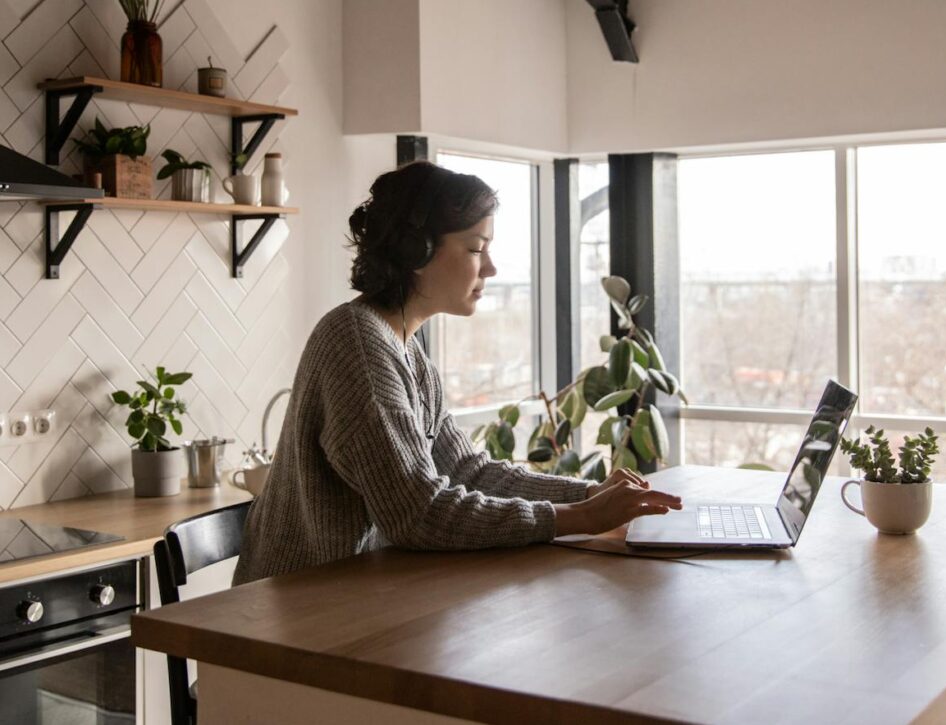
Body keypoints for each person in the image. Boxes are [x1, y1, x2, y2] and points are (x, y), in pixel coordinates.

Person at [232, 161, 682, 585]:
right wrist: (578, 518)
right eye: (476, 249)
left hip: (356, 594)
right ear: (416, 251)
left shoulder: (403, 347)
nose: (490, 267)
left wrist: (588, 495)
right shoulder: (358, 345)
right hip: (288, 616)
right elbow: (417, 513)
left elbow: (466, 471)